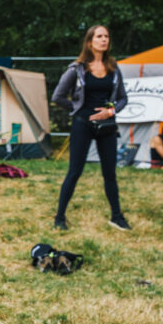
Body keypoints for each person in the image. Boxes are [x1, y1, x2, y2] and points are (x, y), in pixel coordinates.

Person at [52, 25, 130, 230]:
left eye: (106, 36)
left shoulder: (113, 67)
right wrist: (78, 109)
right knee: (74, 171)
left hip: (107, 126)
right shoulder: (77, 68)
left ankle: (117, 216)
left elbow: (123, 98)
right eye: (99, 36)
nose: (104, 40)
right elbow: (57, 96)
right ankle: (59, 218)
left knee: (110, 173)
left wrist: (111, 111)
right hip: (82, 125)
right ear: (89, 42)